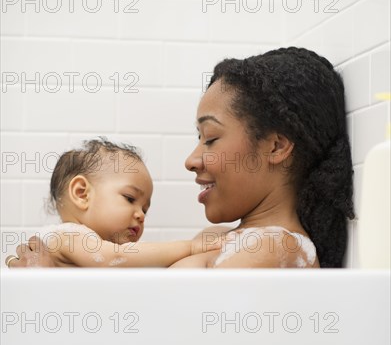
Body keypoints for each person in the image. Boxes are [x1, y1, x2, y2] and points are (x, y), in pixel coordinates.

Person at [6, 47, 355, 269]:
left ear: (276, 147)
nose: (191, 160)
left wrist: (50, 291)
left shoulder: (273, 248)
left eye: (211, 138)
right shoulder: (229, 240)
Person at [5, 138, 220, 268]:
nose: (141, 215)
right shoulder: (68, 235)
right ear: (82, 194)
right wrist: (190, 247)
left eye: (145, 208)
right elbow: (115, 258)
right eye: (129, 199)